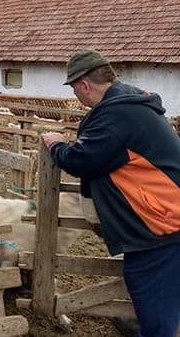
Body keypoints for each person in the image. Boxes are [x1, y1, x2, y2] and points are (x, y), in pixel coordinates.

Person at [41, 49, 180, 337]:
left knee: (154, 310)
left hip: (161, 228)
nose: (77, 96)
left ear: (84, 85)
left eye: (75, 89)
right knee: (157, 301)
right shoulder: (128, 104)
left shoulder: (117, 116)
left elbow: (81, 160)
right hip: (162, 222)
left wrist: (56, 144)